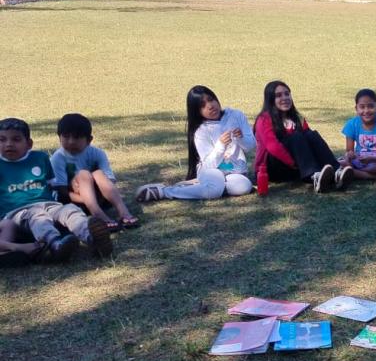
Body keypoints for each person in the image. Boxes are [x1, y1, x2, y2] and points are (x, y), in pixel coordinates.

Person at [0, 118, 112, 263]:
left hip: (49, 204)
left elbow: (52, 185)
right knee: (37, 216)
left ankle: (93, 238)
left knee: (70, 210)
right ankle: (55, 244)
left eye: (16, 139)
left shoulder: (40, 158)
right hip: (18, 213)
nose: (9, 144)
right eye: (2, 140)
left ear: (29, 144)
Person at [135, 86, 254, 202]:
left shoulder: (235, 115)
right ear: (197, 111)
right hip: (211, 170)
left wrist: (241, 138)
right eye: (203, 105)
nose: (210, 106)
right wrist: (221, 146)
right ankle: (165, 191)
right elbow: (208, 165)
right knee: (214, 189)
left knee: (244, 187)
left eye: (211, 99)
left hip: (235, 172)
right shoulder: (201, 130)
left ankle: (200, 187)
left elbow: (251, 146)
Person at [253, 80, 353, 194]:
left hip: (296, 168)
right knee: (296, 136)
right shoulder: (264, 119)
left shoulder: (296, 118)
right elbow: (273, 147)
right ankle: (314, 176)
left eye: (287, 94)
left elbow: (310, 142)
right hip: (270, 170)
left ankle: (337, 171)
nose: (285, 98)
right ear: (271, 100)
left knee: (311, 135)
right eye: (278, 95)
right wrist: (294, 163)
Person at [50, 113, 139, 231]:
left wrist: (97, 194)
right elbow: (62, 192)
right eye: (66, 136)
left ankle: (124, 212)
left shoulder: (97, 153)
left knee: (98, 174)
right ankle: (98, 215)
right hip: (73, 201)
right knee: (83, 174)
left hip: (100, 198)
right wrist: (87, 199)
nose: (71, 142)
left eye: (76, 137)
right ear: (59, 137)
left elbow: (110, 179)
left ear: (89, 140)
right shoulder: (58, 158)